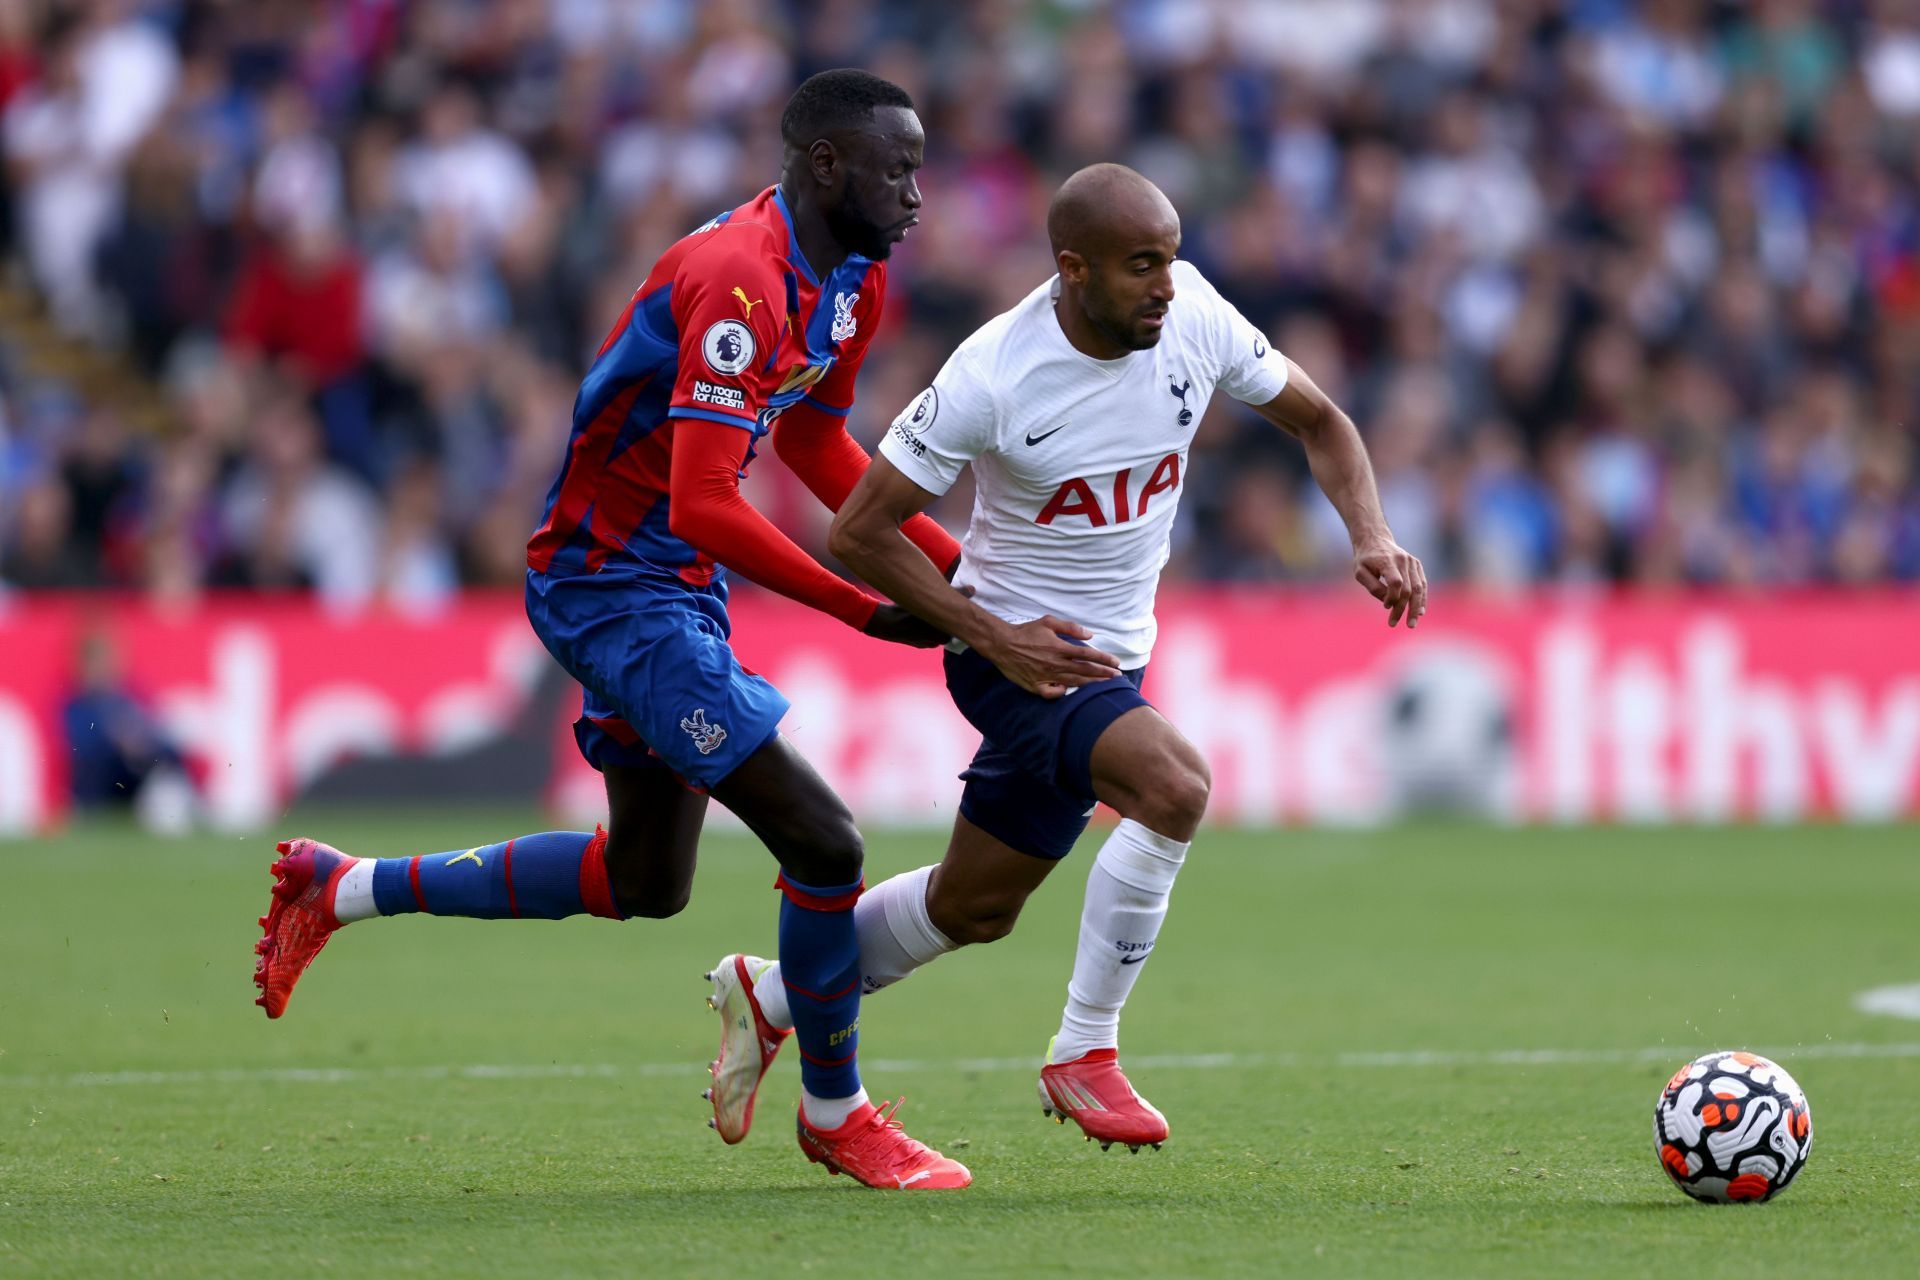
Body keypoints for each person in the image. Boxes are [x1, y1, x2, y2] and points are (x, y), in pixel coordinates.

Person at [252, 70, 1099, 1192]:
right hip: (610, 581)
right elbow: (703, 498)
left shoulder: (849, 277)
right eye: (899, 168)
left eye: (922, 167)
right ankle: (836, 1114)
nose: (918, 193)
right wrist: (865, 606)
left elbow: (816, 448)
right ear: (828, 165)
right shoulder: (741, 283)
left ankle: (338, 884)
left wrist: (968, 576)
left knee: (647, 877)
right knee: (826, 840)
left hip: (667, 574)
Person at [704, 164, 1426, 1156]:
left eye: (1170, 260)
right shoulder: (994, 372)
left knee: (974, 905)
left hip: (1107, 663)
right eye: (1141, 267)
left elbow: (1324, 422)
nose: (1165, 285)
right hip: (1012, 656)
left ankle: (773, 989)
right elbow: (862, 531)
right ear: (1072, 269)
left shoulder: (1196, 316)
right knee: (1172, 785)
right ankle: (1085, 1050)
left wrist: (1371, 536)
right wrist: (990, 631)